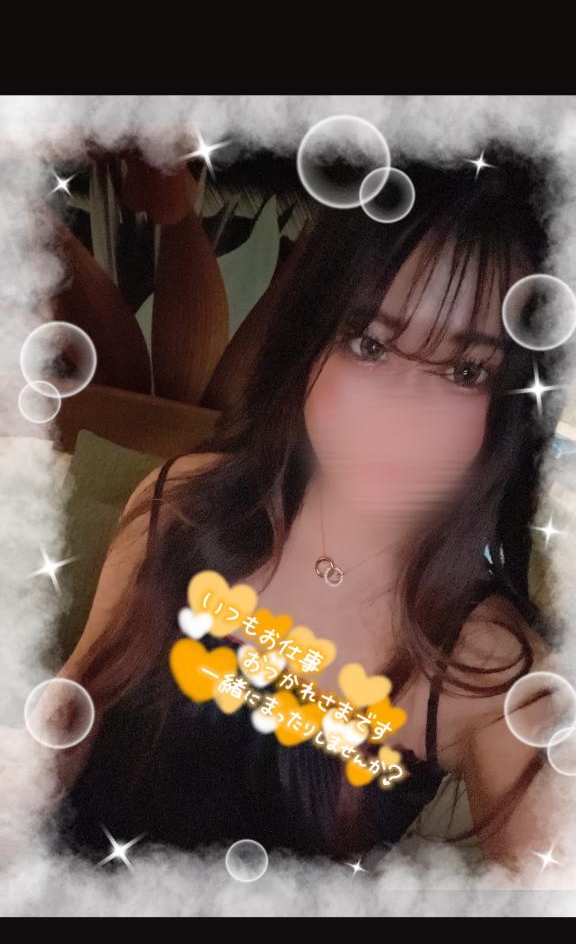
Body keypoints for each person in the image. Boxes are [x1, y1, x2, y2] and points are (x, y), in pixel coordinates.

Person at [21, 145, 571, 878]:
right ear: (310, 341)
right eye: (370, 345)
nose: (399, 416)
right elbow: (72, 708)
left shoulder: (492, 670)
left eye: (464, 370)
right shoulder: (180, 501)